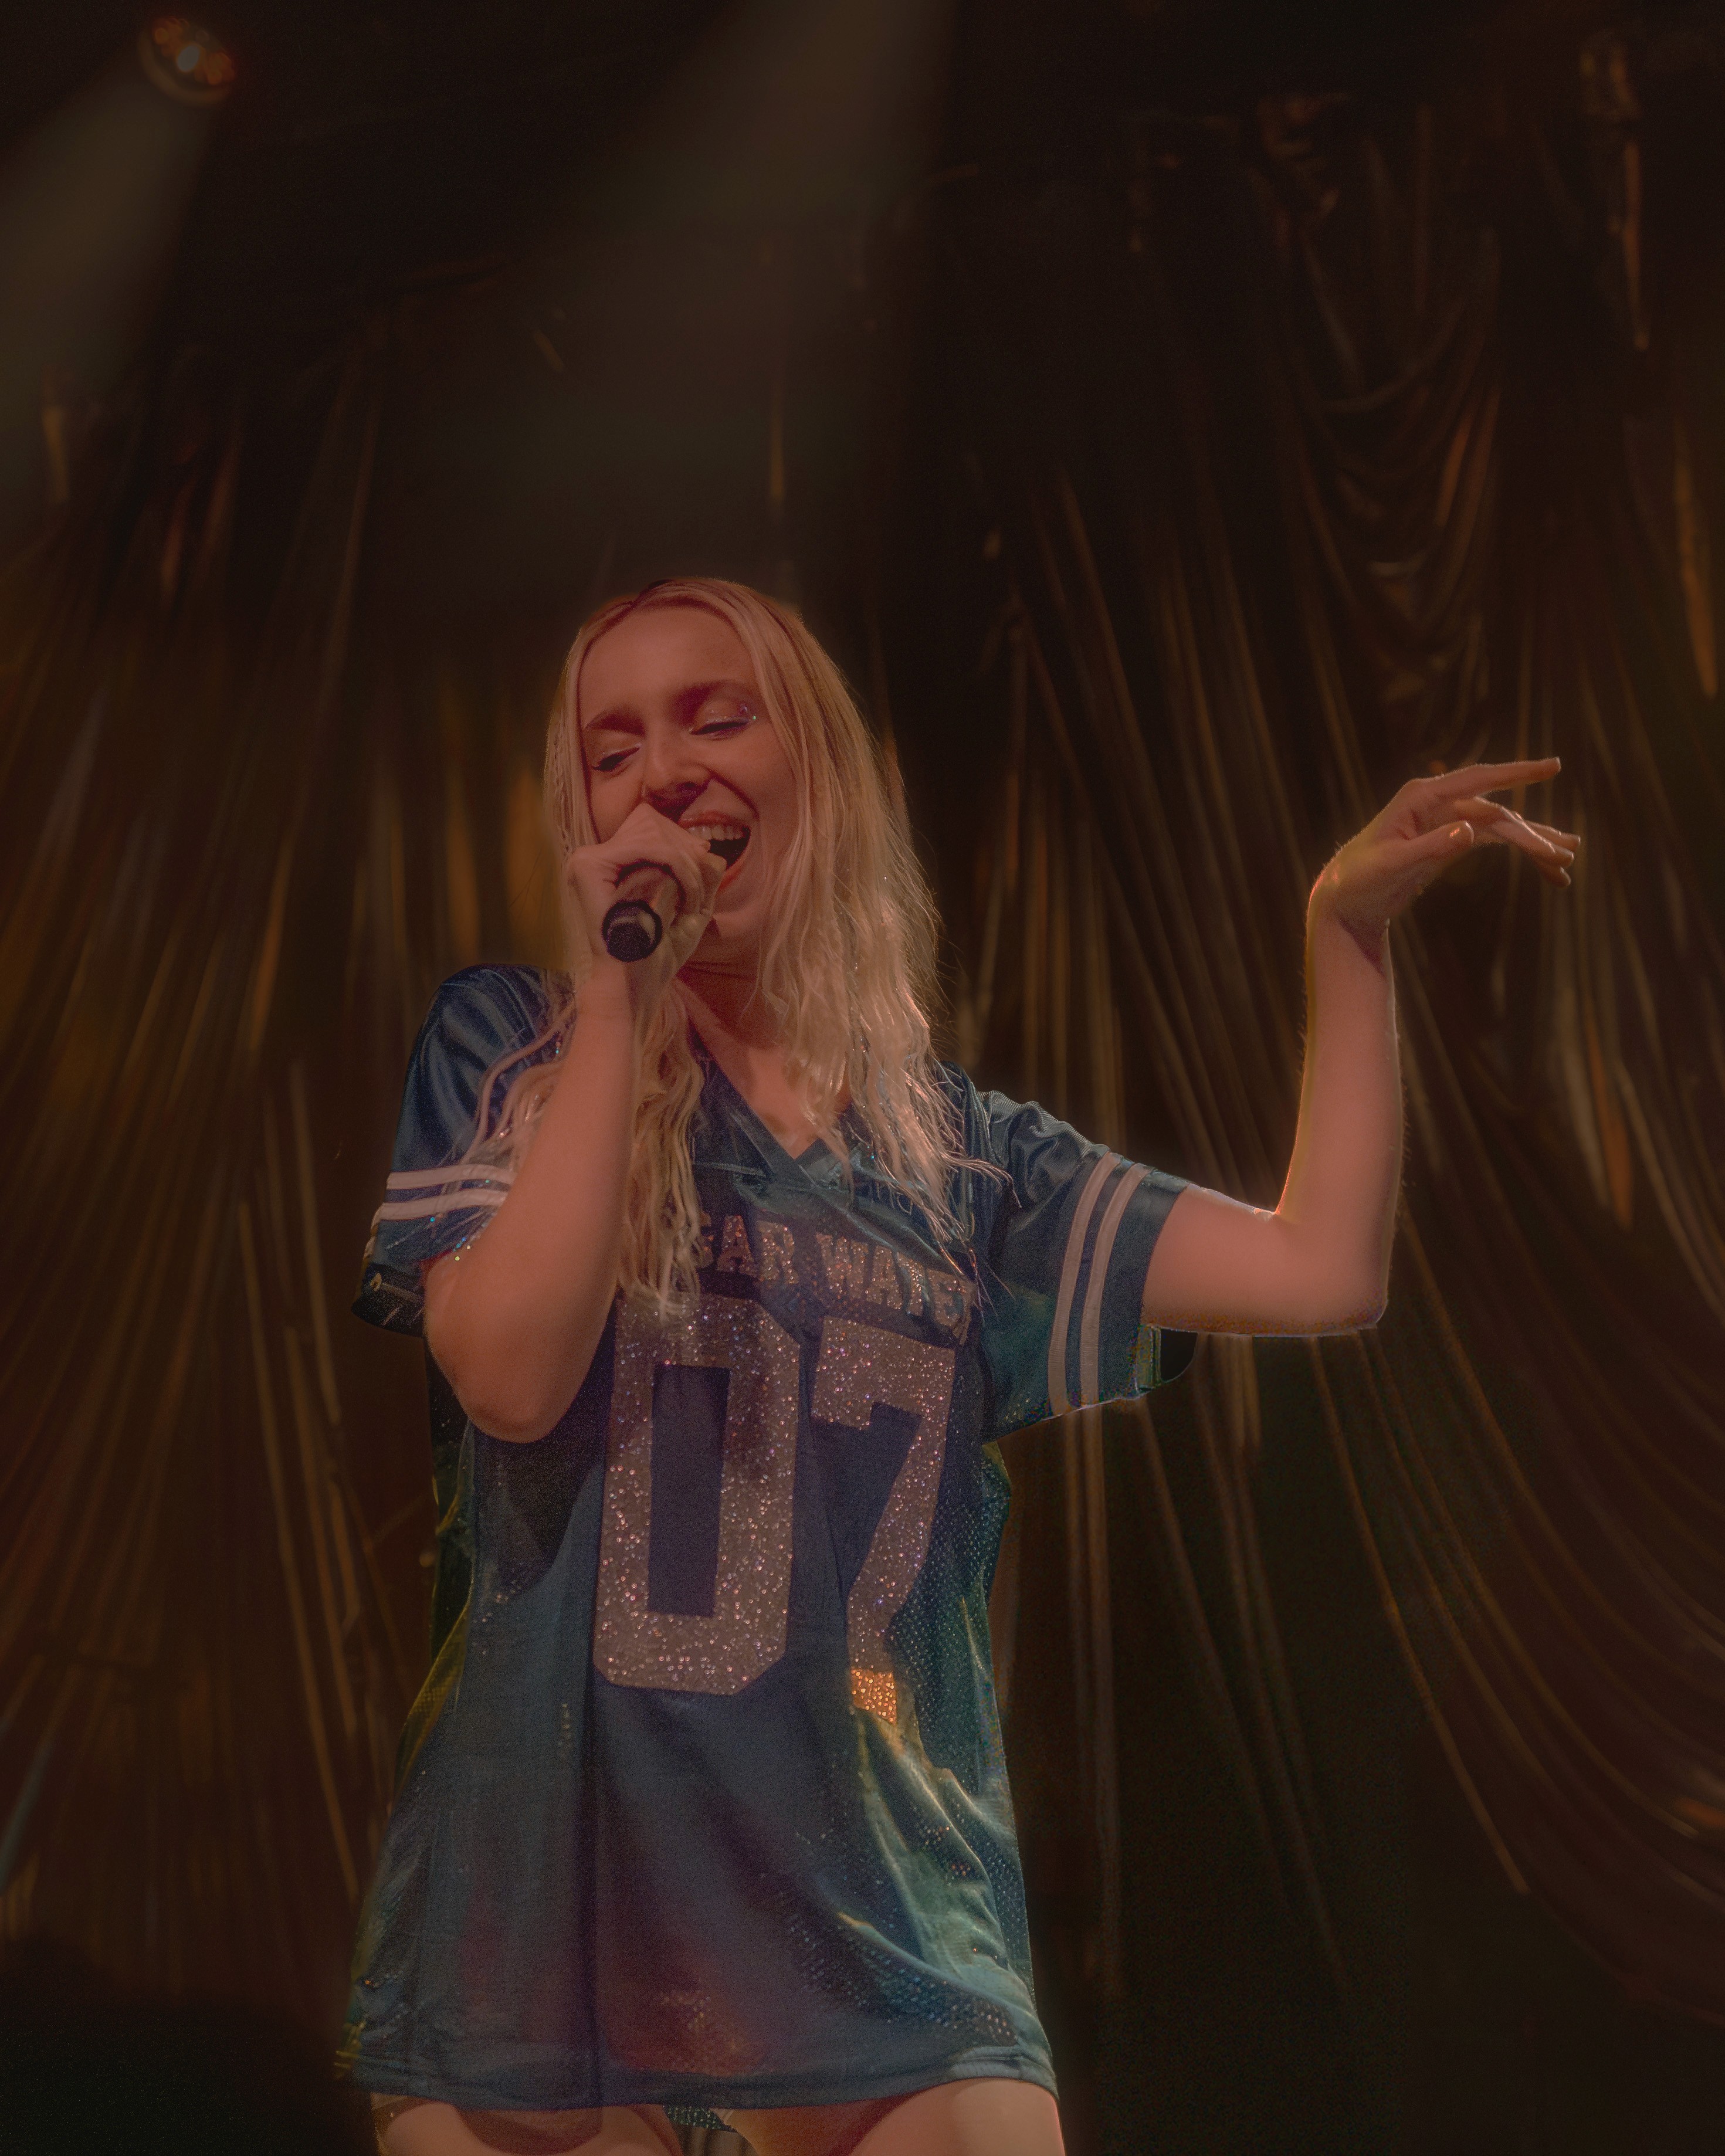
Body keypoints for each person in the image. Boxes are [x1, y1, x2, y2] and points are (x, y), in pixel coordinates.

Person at [341, 578, 1575, 2156]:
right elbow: (511, 1377)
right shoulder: (509, 1048)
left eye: (715, 716)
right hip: (550, 1943)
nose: (663, 771)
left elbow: (1323, 1265)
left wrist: (1345, 931)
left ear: (816, 764)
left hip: (891, 1940)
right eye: (613, 748)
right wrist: (617, 999)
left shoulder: (961, 1159)